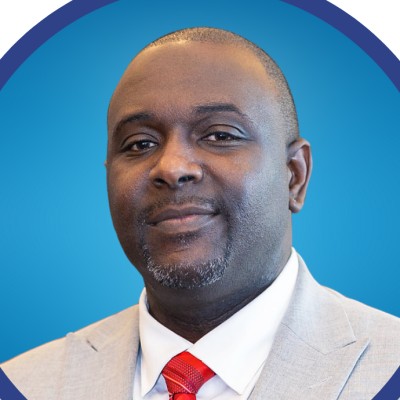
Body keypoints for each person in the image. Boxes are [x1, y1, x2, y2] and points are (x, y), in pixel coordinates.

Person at [1, 27, 399, 400]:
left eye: (220, 135)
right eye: (140, 144)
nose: (172, 168)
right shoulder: (24, 383)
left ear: (294, 177)